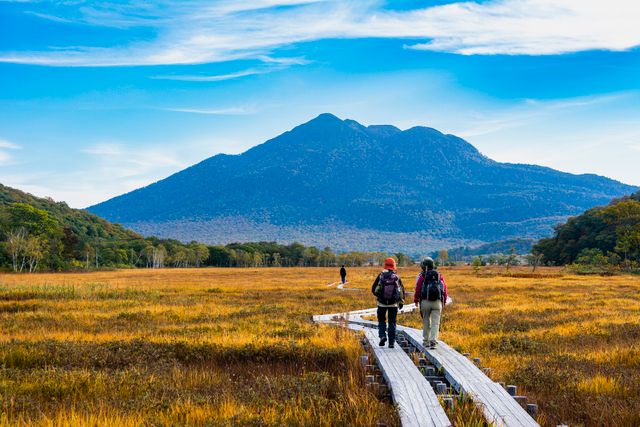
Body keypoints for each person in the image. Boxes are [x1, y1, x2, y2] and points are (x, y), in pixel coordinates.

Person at [414, 257, 448, 349]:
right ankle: (433, 340)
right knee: (435, 322)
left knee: (426, 321)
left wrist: (416, 300)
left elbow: (417, 289)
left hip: (425, 302)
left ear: (423, 266)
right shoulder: (438, 275)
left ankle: (426, 341)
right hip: (437, 302)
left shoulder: (422, 276)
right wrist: (443, 301)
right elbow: (444, 289)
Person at [371, 258, 405, 348]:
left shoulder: (381, 276)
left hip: (381, 303)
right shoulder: (396, 277)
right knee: (392, 322)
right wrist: (401, 302)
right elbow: (401, 291)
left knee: (381, 320)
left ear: (385, 265)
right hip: (393, 304)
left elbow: (373, 289)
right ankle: (391, 343)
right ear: (394, 266)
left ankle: (382, 336)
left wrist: (379, 296)